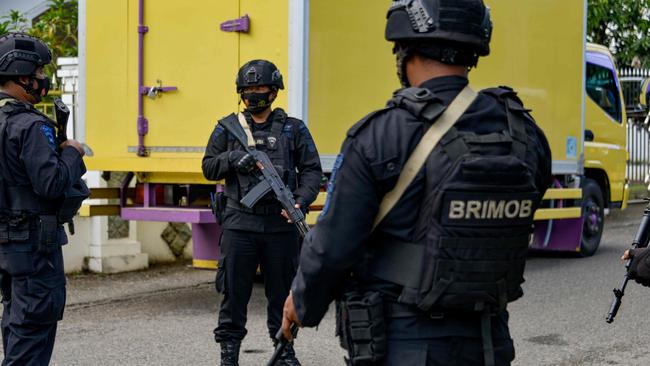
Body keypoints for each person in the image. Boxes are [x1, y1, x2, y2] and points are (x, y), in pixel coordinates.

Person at [281, 1, 552, 365]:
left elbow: (333, 246)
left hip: (404, 342)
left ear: (405, 49)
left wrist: (301, 301)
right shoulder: (524, 134)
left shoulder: (380, 135)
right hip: (491, 344)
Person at [202, 59, 322, 366]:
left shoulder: (293, 129)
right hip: (240, 224)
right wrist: (232, 159)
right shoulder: (227, 128)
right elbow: (208, 167)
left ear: (273, 91)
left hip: (280, 225)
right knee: (234, 293)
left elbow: (311, 171)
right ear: (241, 92)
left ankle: (284, 351)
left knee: (283, 294)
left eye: (261, 88)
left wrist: (299, 202)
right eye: (249, 89)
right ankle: (229, 355)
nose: (255, 94)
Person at [0, 32, 87, 365]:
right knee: (32, 332)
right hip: (33, 245)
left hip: (8, 243)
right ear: (23, 76)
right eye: (38, 75)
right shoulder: (30, 125)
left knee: (16, 322)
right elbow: (51, 185)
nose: (42, 81)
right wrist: (72, 153)